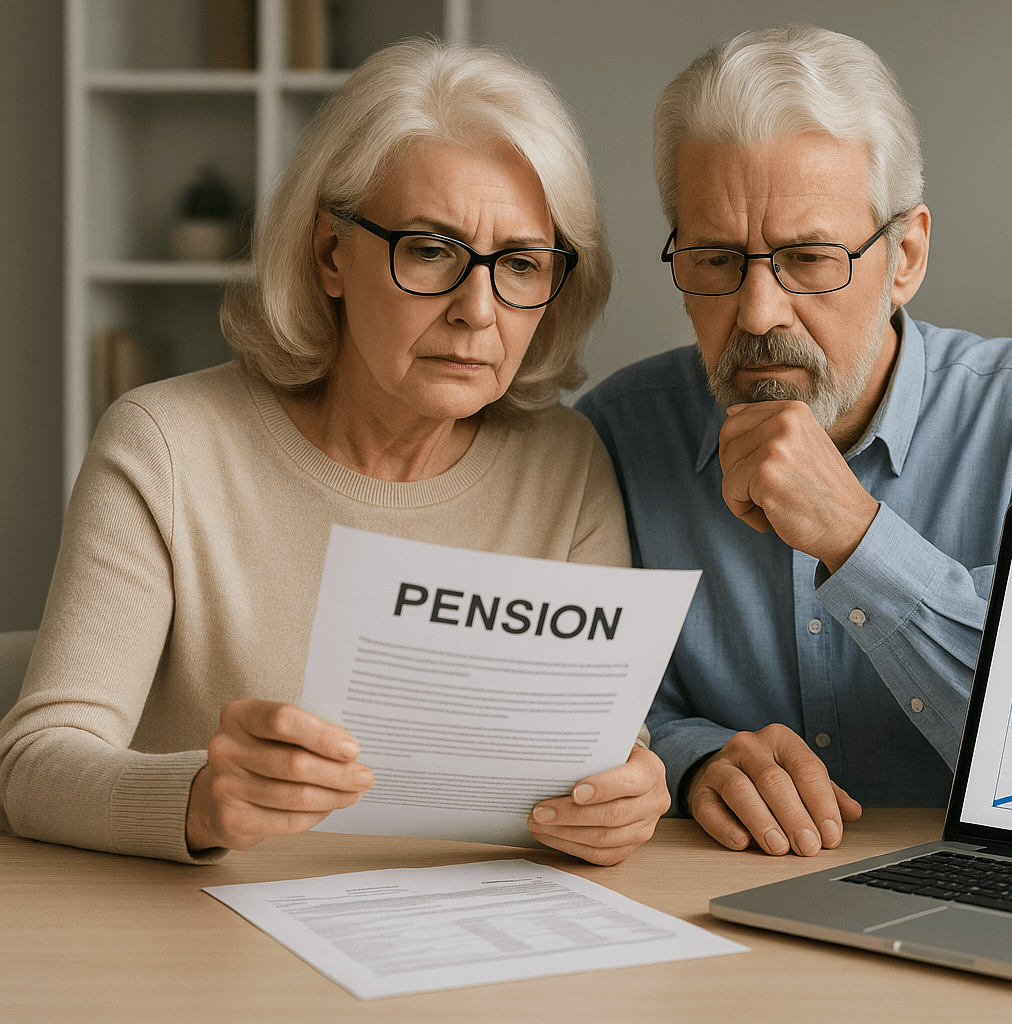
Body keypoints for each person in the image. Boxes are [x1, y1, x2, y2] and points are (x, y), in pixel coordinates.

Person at [0, 40, 667, 866]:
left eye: (521, 265)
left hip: (459, 951)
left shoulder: (565, 461)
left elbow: (602, 752)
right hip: (202, 950)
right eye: (430, 250)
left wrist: (622, 797)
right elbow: (35, 765)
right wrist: (203, 802)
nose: (477, 309)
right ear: (330, 254)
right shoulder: (165, 446)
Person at [577, 25, 1012, 858]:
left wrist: (856, 536)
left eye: (808, 258)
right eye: (716, 259)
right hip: (713, 914)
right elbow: (591, 703)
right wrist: (693, 762)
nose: (760, 313)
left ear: (905, 255)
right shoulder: (613, 438)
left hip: (992, 908)